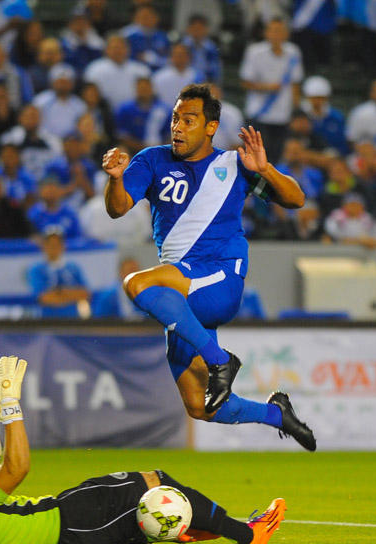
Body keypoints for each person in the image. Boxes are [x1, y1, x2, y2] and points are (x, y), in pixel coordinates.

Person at [0, 355, 286, 544]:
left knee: (143, 505)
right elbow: (16, 471)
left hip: (63, 524)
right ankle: (250, 535)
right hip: (68, 524)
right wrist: (10, 405)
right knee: (153, 481)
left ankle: (194, 527)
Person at [101, 83, 316, 451]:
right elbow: (117, 208)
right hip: (181, 295)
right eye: (174, 118)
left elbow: (296, 198)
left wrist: (266, 170)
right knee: (201, 406)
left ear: (211, 127)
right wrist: (116, 180)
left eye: (189, 119)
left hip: (219, 278)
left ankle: (221, 362)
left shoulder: (234, 164)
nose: (178, 127)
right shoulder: (153, 160)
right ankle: (276, 414)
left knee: (136, 283)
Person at [239, 17, 305, 164]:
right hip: (259, 114)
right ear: (266, 33)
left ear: (286, 33)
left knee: (277, 159)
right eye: (273, 30)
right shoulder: (254, 52)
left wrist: (296, 111)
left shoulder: (293, 52)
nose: (277, 34)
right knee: (256, 158)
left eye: (280, 31)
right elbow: (245, 82)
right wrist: (267, 87)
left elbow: (295, 84)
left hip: (283, 116)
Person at [26, 227, 90, 318]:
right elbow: (44, 297)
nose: (54, 247)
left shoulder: (73, 267)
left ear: (63, 246)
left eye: (57, 244)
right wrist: (71, 295)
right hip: (46, 321)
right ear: (44, 246)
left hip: (73, 321)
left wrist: (59, 293)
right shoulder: (36, 269)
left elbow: (85, 293)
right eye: (50, 244)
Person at [83, 34, 151, 110]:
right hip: (105, 112)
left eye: (121, 47)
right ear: (106, 50)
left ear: (128, 49)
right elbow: (89, 95)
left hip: (133, 113)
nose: (118, 51)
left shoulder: (141, 69)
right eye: (114, 48)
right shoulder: (94, 69)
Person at [114, 77, 172, 154]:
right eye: (141, 88)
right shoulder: (125, 109)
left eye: (146, 88)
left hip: (161, 150)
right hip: (133, 150)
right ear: (136, 89)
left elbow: (170, 135)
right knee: (121, 150)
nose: (144, 91)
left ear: (152, 88)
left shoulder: (165, 109)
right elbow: (122, 136)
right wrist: (144, 148)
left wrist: (158, 148)